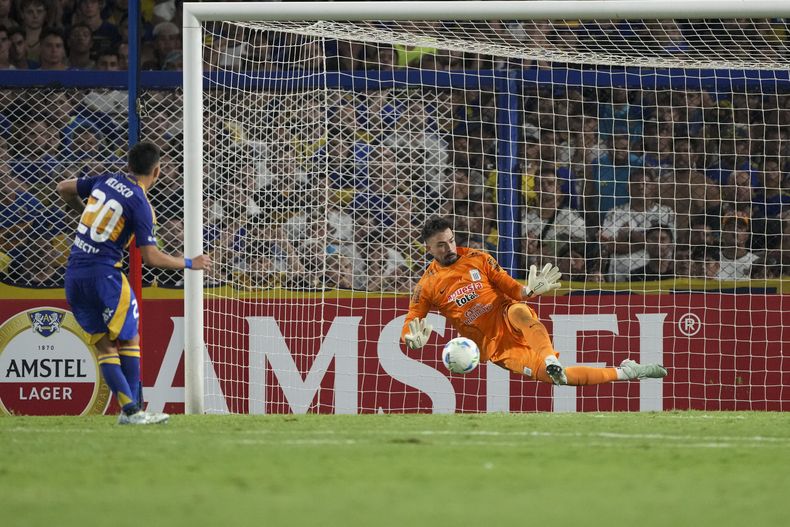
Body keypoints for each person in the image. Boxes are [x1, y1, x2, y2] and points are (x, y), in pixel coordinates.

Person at [401, 216, 667, 386]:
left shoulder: (479, 258)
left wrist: (528, 291)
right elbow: (412, 320)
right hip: (497, 347)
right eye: (441, 245)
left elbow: (510, 288)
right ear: (427, 248)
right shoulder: (427, 285)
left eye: (451, 241)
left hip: (506, 312)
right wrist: (410, 340)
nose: (449, 248)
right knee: (560, 378)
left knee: (520, 311)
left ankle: (548, 355)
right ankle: (627, 372)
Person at [57, 141, 211, 425]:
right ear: (157, 172)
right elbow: (151, 257)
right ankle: (134, 412)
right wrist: (191, 263)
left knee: (104, 347)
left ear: (128, 165)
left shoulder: (107, 179)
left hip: (75, 274)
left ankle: (129, 410)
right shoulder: (141, 204)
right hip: (105, 276)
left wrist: (84, 217)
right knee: (129, 339)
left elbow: (64, 188)